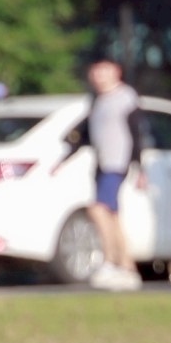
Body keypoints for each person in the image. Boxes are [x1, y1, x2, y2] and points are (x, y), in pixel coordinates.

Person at [50, 56, 149, 291]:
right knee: (112, 215)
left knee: (98, 209)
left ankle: (109, 261)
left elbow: (137, 134)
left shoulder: (126, 97)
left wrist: (139, 167)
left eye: (103, 70)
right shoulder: (97, 100)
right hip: (101, 164)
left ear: (116, 71)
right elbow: (85, 134)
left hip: (116, 163)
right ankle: (127, 266)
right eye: (95, 71)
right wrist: (62, 160)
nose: (99, 75)